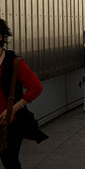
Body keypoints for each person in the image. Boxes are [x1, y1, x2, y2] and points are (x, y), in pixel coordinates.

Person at [0, 19, 45, 168]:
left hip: (10, 123)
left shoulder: (14, 62)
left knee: (10, 161)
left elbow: (36, 87)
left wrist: (14, 108)